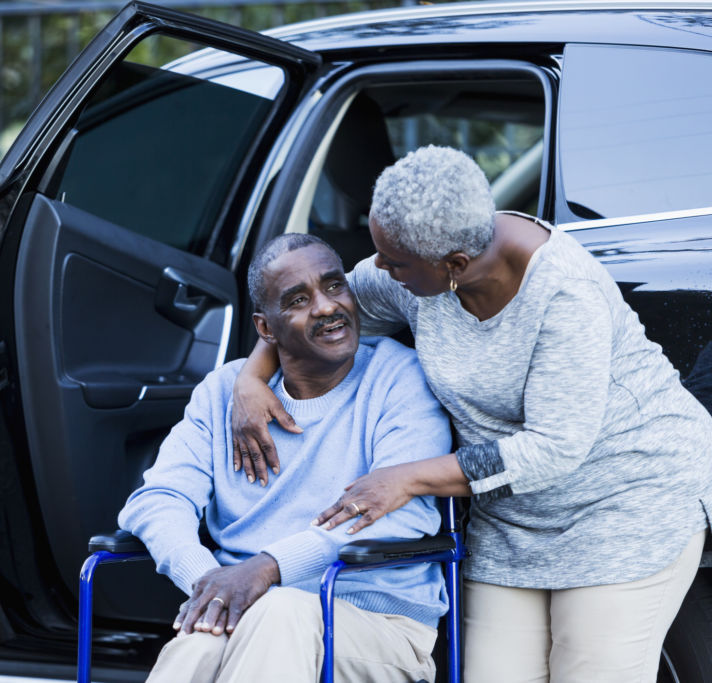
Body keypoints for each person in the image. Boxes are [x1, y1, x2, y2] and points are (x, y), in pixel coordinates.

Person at [231, 145, 712, 682]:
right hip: (512, 522)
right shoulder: (417, 267)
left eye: (392, 261)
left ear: (454, 265)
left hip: (624, 504)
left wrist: (409, 477)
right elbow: (326, 314)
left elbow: (552, 449)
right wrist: (251, 378)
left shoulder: (564, 295)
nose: (377, 270)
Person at [118, 233, 452, 683]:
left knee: (279, 611)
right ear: (266, 329)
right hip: (252, 611)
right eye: (298, 299)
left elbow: (402, 516)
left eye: (335, 286)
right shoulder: (224, 393)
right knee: (199, 642)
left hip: (378, 625)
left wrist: (269, 568)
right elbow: (156, 499)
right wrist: (212, 583)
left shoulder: (399, 378)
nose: (326, 307)